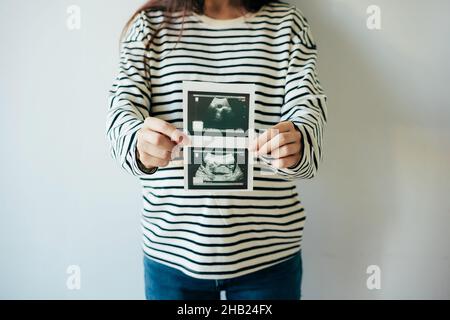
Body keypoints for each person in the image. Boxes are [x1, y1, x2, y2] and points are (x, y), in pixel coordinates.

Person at [106, 0, 327, 300]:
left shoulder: (287, 25)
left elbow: (308, 111)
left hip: (269, 255)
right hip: (171, 254)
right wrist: (138, 144)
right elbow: (121, 113)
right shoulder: (149, 27)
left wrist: (299, 142)